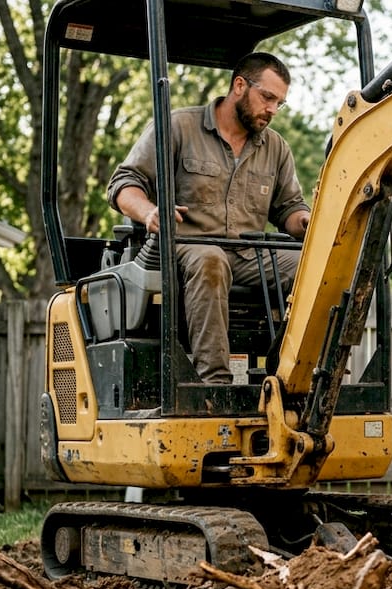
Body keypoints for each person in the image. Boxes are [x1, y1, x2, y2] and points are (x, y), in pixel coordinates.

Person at [108, 52, 311, 384]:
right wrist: (150, 212)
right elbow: (123, 184)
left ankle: (300, 375)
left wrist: (304, 220)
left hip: (248, 255)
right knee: (212, 260)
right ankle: (215, 384)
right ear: (239, 86)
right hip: (185, 249)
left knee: (318, 265)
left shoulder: (276, 147)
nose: (273, 110)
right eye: (268, 98)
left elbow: (289, 208)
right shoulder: (177, 126)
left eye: (280, 103)